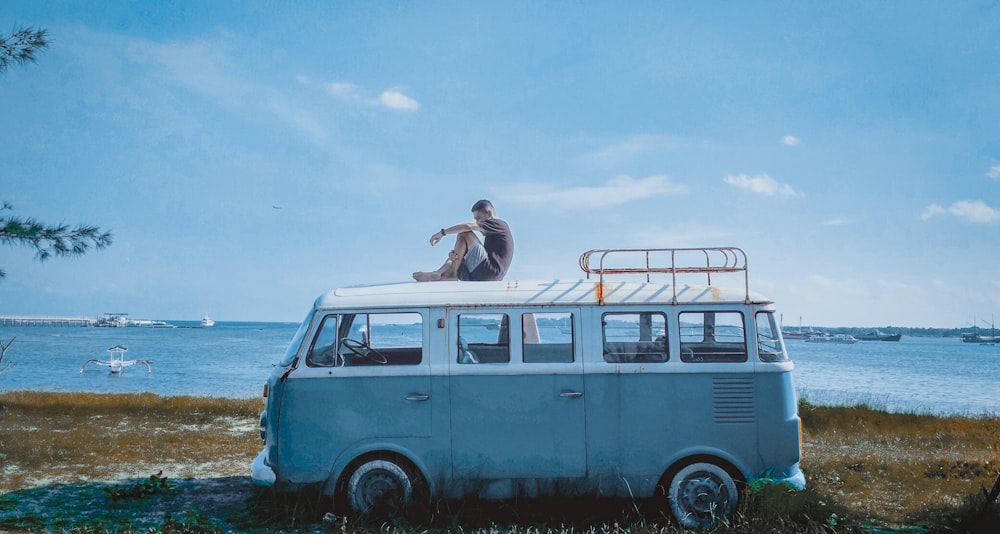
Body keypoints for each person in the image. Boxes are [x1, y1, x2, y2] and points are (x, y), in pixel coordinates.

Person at [412, 199, 513, 282]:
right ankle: (440, 273)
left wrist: (442, 233)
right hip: (481, 277)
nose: (477, 221)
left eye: (478, 218)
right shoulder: (493, 234)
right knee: (454, 257)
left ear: (489, 213)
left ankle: (452, 274)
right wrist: (456, 256)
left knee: (464, 233)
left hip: (490, 272)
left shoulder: (499, 224)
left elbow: (467, 226)